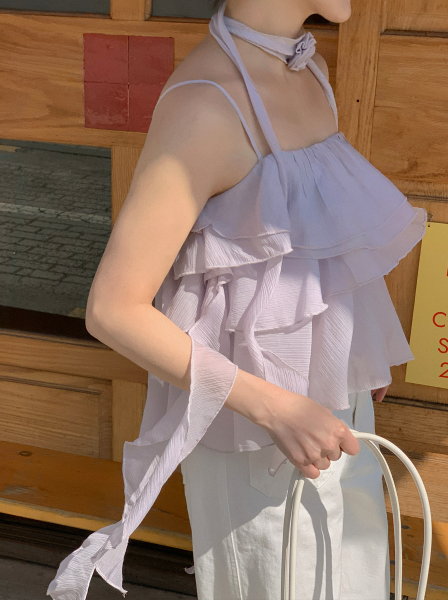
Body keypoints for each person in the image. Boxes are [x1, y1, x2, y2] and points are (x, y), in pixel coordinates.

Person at [46, 0, 427, 599]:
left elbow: (318, 240)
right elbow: (113, 310)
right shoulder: (205, 105)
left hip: (335, 411)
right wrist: (277, 409)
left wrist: (359, 350)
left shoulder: (308, 69)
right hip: (258, 431)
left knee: (353, 578)